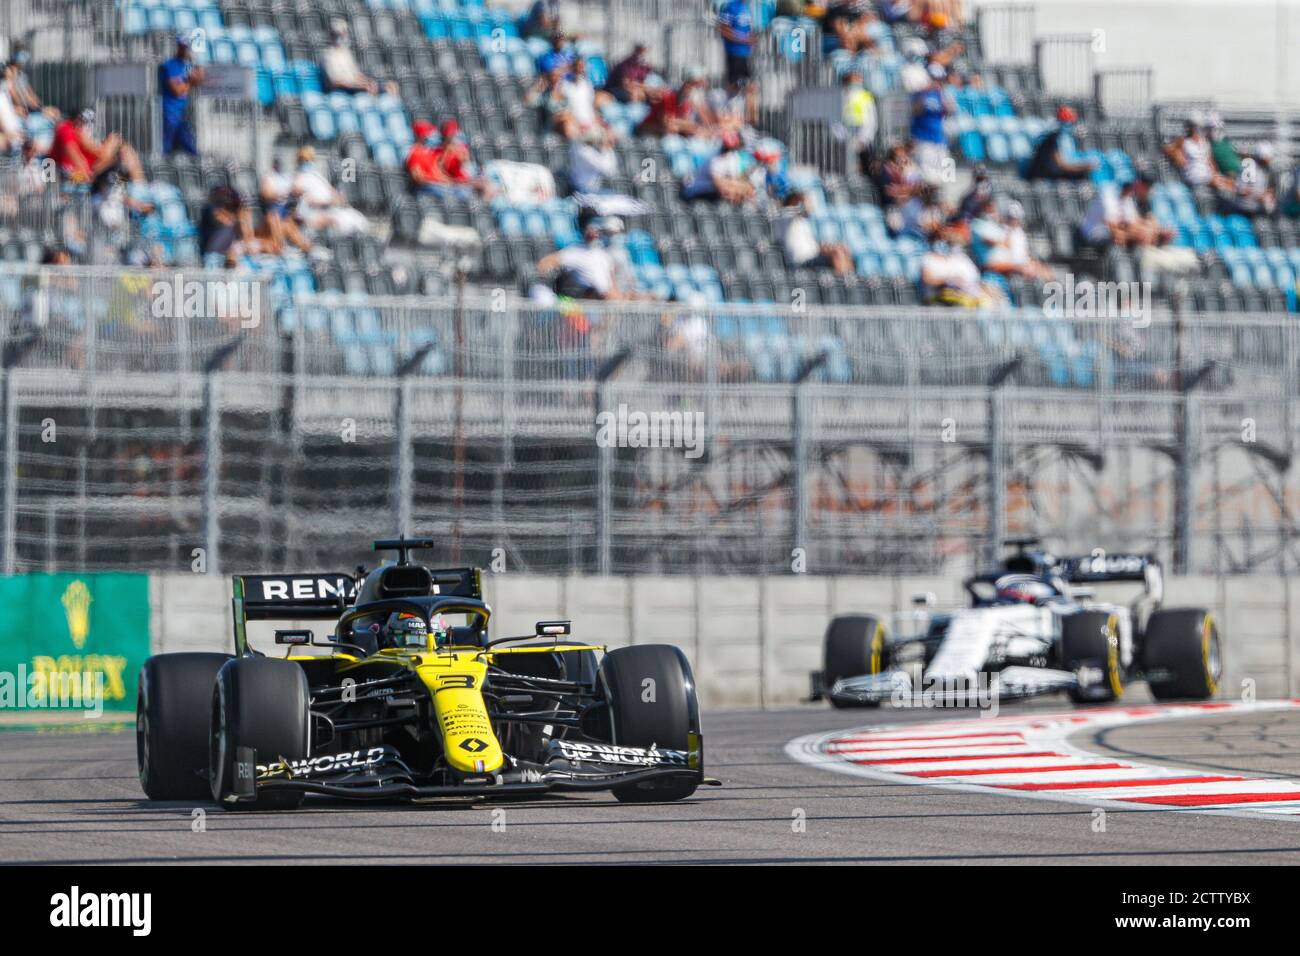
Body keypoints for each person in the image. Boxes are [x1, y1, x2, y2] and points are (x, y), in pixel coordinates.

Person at [1077, 171, 1171, 252]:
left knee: (1144, 231)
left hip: (1112, 230)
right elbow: (1112, 225)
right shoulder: (1108, 194)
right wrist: (1131, 233)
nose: (1133, 188)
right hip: (1094, 232)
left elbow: (1133, 221)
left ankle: (1147, 258)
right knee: (1124, 236)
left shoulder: (1128, 198)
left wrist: (1154, 229)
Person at [51, 108, 145, 188]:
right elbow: (75, 155)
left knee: (126, 152)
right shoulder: (66, 129)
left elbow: (97, 153)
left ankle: (139, 188)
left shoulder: (77, 133)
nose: (86, 125)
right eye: (84, 121)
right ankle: (137, 188)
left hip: (93, 173)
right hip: (79, 175)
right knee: (118, 147)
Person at [536, 220, 626, 300]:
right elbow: (545, 263)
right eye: (590, 231)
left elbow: (612, 285)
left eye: (596, 231)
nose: (594, 234)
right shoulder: (575, 251)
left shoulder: (605, 255)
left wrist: (616, 296)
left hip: (605, 301)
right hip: (584, 300)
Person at [292, 145, 368, 236]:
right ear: (299, 161)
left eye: (310, 159)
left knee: (357, 217)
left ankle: (361, 245)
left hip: (329, 209)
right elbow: (306, 200)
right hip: (312, 213)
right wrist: (329, 201)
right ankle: (344, 246)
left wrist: (338, 197)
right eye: (305, 159)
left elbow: (332, 192)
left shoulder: (317, 176)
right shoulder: (298, 178)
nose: (308, 162)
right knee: (339, 221)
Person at [972, 200, 1053, 280]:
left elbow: (1022, 253)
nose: (1014, 220)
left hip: (1015, 262)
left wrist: (1032, 262)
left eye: (1016, 218)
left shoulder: (1018, 232)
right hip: (1000, 264)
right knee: (1029, 271)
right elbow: (998, 245)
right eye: (1011, 218)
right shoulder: (990, 228)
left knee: (1046, 271)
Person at [777, 191, 852, 274]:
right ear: (795, 201)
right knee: (836, 252)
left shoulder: (802, 222)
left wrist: (824, 248)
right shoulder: (784, 217)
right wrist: (802, 200)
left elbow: (810, 246)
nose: (809, 205)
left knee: (842, 248)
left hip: (813, 256)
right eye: (805, 202)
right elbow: (796, 210)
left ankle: (850, 280)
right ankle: (844, 283)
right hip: (800, 262)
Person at [920, 237, 1002, 307]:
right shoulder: (928, 258)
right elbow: (928, 279)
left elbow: (973, 279)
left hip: (968, 295)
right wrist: (950, 280)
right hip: (944, 298)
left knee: (989, 301)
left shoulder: (960, 258)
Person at [1022, 105, 1096, 181]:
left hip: (1050, 171)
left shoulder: (1062, 137)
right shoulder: (1053, 138)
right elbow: (1061, 165)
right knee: (1082, 176)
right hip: (1041, 175)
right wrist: (1084, 167)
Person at [158, 34, 204, 156]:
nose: (185, 50)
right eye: (183, 47)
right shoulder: (170, 66)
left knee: (190, 148)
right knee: (165, 147)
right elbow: (177, 90)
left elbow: (198, 78)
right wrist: (190, 82)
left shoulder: (187, 65)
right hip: (170, 112)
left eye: (187, 48)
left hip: (181, 113)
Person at [321, 20, 393, 95]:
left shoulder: (346, 53)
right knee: (368, 88)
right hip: (341, 89)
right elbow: (335, 82)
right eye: (340, 34)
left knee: (391, 86)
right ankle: (372, 105)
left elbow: (356, 75)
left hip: (353, 85)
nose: (343, 37)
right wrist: (359, 85)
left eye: (345, 33)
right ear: (332, 35)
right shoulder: (328, 55)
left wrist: (368, 81)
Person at [681, 131, 754, 204]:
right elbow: (721, 187)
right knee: (733, 190)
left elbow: (739, 181)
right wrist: (737, 187)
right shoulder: (715, 159)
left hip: (711, 191)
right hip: (697, 191)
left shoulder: (735, 158)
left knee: (744, 189)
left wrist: (742, 187)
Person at [909, 63, 954, 184]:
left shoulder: (942, 94)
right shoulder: (919, 93)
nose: (937, 82)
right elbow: (915, 111)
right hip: (924, 138)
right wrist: (925, 93)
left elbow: (950, 111)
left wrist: (943, 98)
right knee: (926, 174)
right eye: (934, 79)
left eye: (939, 79)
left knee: (947, 174)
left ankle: (944, 196)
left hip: (939, 138)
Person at [259, 156, 312, 255]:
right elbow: (266, 194)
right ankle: (280, 246)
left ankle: (305, 247)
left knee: (289, 225)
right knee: (276, 219)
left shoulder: (286, 177)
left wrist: (296, 190)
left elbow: (296, 188)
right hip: (272, 210)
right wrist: (279, 194)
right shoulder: (269, 177)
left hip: (285, 210)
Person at [636, 69, 707, 137]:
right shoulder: (669, 97)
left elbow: (690, 124)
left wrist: (681, 125)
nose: (694, 88)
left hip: (661, 130)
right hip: (647, 129)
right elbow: (667, 124)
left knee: (694, 132)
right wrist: (683, 125)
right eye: (693, 84)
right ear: (685, 85)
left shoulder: (686, 103)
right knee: (671, 130)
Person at [1162, 119, 1228, 190]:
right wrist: (1177, 153)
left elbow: (1209, 161)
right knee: (1222, 184)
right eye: (1195, 127)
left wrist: (1215, 174)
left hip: (1206, 174)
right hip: (1194, 174)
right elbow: (1166, 148)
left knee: (1230, 183)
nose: (1197, 130)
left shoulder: (1204, 142)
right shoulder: (1184, 141)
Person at [841, 69, 877, 175]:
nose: (856, 84)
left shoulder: (865, 96)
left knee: (864, 166)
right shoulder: (840, 96)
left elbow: (872, 119)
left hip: (862, 138)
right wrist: (844, 139)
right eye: (853, 81)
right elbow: (834, 120)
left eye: (858, 81)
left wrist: (864, 138)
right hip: (844, 139)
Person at [717, 0, 756, 90]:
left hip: (745, 54)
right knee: (734, 86)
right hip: (734, 53)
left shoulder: (747, 8)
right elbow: (723, 30)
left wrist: (751, 40)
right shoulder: (730, 7)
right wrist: (743, 39)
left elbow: (748, 30)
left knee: (750, 87)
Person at [567, 127, 619, 194]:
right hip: (582, 189)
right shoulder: (582, 150)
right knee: (612, 197)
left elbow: (611, 171)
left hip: (592, 188)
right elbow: (607, 170)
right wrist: (606, 148)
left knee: (616, 197)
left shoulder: (585, 149)